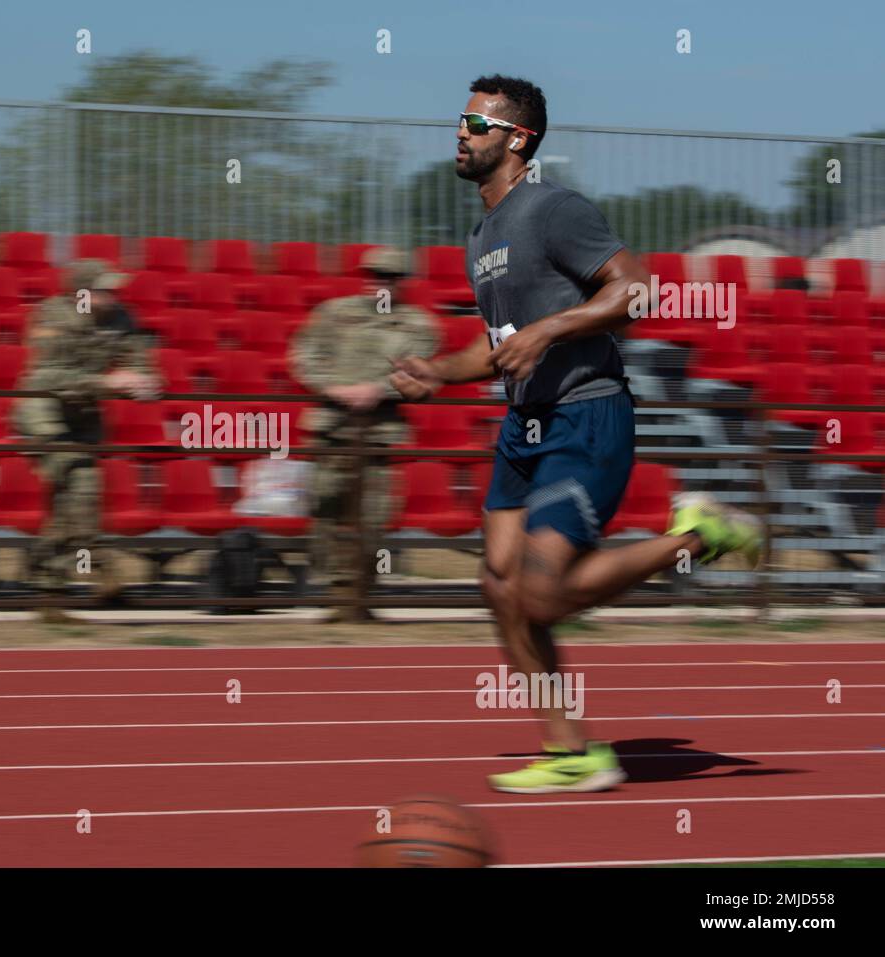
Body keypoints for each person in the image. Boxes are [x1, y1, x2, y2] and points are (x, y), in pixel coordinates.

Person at [390, 75, 760, 793]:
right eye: (460, 121)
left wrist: (551, 328)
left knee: (542, 594)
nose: (459, 133)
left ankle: (698, 536)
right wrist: (437, 371)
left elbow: (636, 287)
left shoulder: (551, 209)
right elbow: (500, 345)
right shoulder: (484, 233)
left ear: (516, 139)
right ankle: (573, 752)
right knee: (499, 586)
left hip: (585, 413)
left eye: (474, 122)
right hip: (524, 423)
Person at [290, 247, 440, 620]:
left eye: (389, 277)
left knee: (373, 516)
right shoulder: (333, 313)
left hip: (378, 435)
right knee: (325, 508)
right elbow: (303, 357)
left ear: (402, 282)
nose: (380, 283)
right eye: (375, 275)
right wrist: (334, 389)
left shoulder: (418, 325)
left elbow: (417, 372)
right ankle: (332, 592)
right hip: (331, 429)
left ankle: (360, 595)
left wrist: (377, 390)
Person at [18, 258, 159, 622]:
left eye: (114, 289)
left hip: (83, 417)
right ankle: (92, 575)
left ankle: (54, 588)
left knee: (71, 499)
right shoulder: (52, 316)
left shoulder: (121, 319)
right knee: (80, 485)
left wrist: (144, 383)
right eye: (104, 289)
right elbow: (47, 377)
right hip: (44, 413)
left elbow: (140, 362)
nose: (113, 295)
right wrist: (107, 383)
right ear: (81, 292)